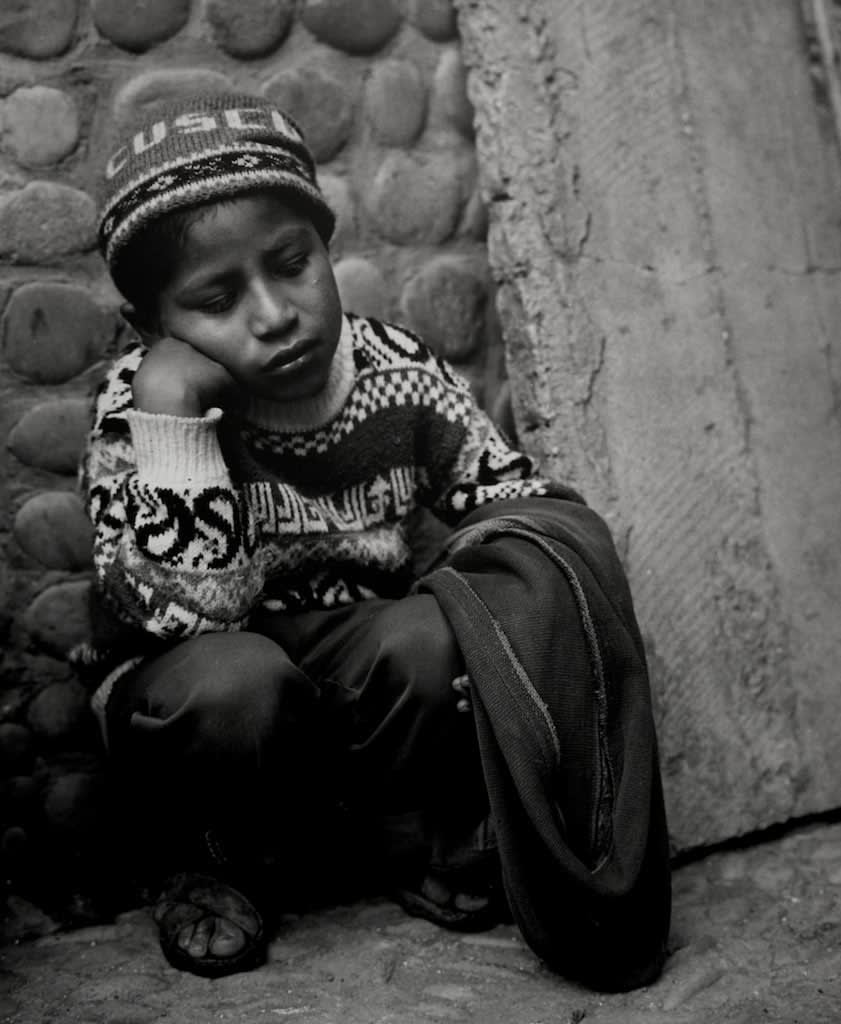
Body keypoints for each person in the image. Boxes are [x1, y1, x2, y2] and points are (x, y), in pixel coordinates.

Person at [78, 92, 671, 989]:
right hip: (199, 684)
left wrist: (489, 583)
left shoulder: (395, 370)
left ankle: (397, 834)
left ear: (327, 247)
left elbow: (515, 502)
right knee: (236, 682)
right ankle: (210, 864)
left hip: (347, 669)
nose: (275, 314)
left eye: (291, 264)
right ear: (154, 326)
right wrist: (173, 421)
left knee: (433, 635)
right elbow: (191, 621)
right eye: (216, 297)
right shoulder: (135, 407)